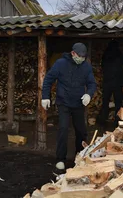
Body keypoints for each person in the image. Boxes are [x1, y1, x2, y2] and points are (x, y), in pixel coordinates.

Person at [41, 42, 97, 170]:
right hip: (63, 102)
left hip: (78, 103)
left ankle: (80, 155)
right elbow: (48, 79)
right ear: (73, 53)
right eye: (79, 56)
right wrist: (45, 97)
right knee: (63, 129)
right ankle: (61, 159)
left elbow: (92, 83)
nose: (81, 59)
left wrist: (88, 94)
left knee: (81, 131)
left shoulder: (86, 67)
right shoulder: (61, 64)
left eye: (83, 57)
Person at [97, 40, 123, 127]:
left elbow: (102, 66)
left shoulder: (105, 54)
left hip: (107, 82)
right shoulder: (118, 54)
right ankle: (117, 121)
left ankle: (103, 120)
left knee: (105, 101)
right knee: (118, 102)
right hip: (117, 82)